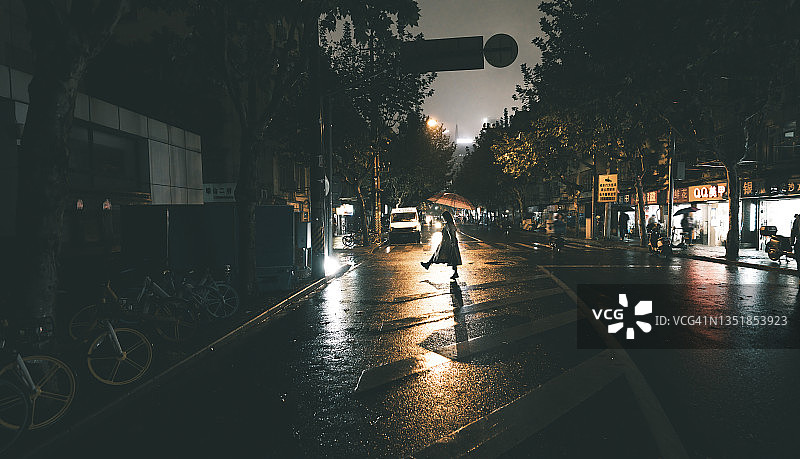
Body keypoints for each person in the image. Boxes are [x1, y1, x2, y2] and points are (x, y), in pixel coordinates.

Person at [421, 211, 462, 280]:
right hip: (446, 242)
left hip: (448, 243)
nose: (443, 218)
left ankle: (428, 264)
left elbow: (451, 234)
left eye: (444, 217)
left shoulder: (449, 225)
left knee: (448, 257)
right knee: (444, 255)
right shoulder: (450, 224)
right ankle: (428, 264)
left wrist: (452, 242)